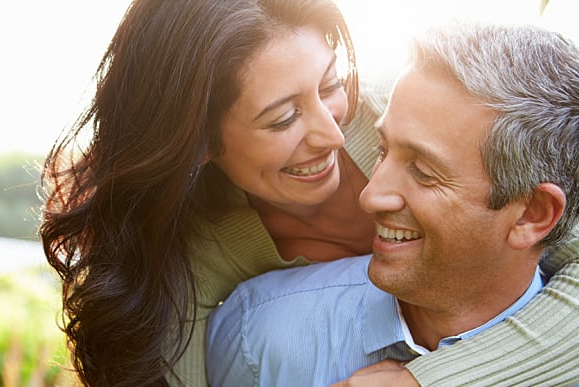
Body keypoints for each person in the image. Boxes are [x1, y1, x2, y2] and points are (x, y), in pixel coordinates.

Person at [38, 0, 579, 385]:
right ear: (199, 141)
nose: (333, 133)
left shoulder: (425, 119)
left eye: (330, 85)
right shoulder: (197, 254)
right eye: (283, 118)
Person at [206, 21, 579, 387]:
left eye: (423, 171)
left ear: (532, 214)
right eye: (382, 151)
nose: (369, 196)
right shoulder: (256, 336)